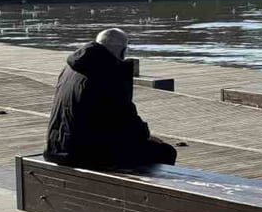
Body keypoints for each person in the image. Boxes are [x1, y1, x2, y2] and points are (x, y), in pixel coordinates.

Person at [45, 28, 177, 170]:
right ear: (121, 50)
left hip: (57, 145)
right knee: (166, 151)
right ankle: (143, 190)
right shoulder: (107, 72)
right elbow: (124, 118)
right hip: (82, 153)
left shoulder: (70, 68)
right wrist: (145, 136)